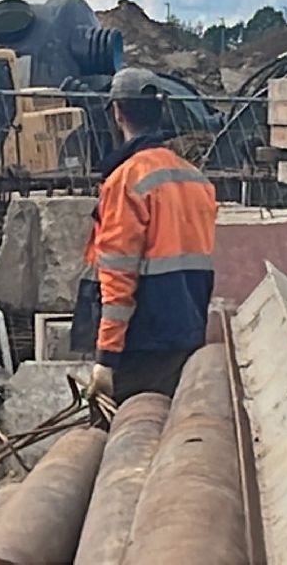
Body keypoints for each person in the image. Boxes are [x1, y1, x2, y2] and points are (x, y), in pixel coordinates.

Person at [73, 67, 219, 400]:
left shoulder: (127, 180)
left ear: (116, 112)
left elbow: (118, 277)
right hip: (185, 332)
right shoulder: (195, 179)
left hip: (139, 342)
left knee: (123, 437)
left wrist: (106, 358)